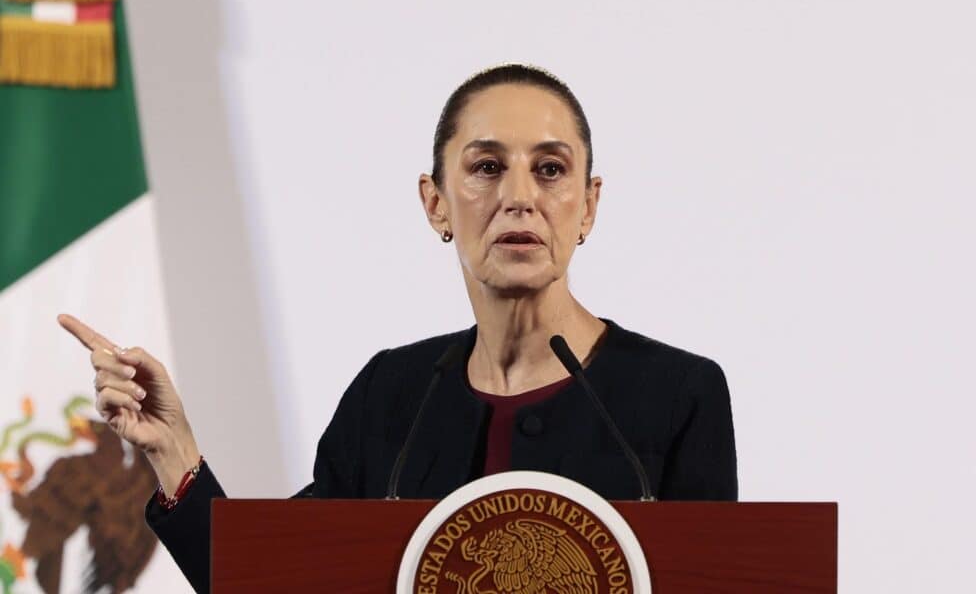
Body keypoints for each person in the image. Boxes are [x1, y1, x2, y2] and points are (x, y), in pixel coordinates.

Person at [59, 64, 737, 593]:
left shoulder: (678, 394)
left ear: (587, 206)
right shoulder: (392, 394)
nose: (520, 197)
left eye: (551, 170)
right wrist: (173, 451)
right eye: (487, 167)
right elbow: (270, 583)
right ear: (436, 202)